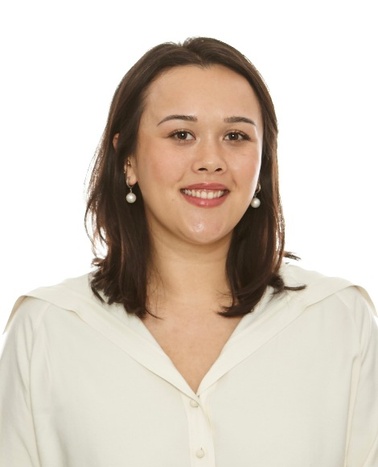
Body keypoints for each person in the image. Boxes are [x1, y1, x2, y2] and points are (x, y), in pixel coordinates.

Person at [0, 37, 377, 467]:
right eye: (181, 134)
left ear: (262, 162)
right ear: (128, 161)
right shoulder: (47, 329)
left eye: (235, 136)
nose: (211, 160)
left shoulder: (340, 320)